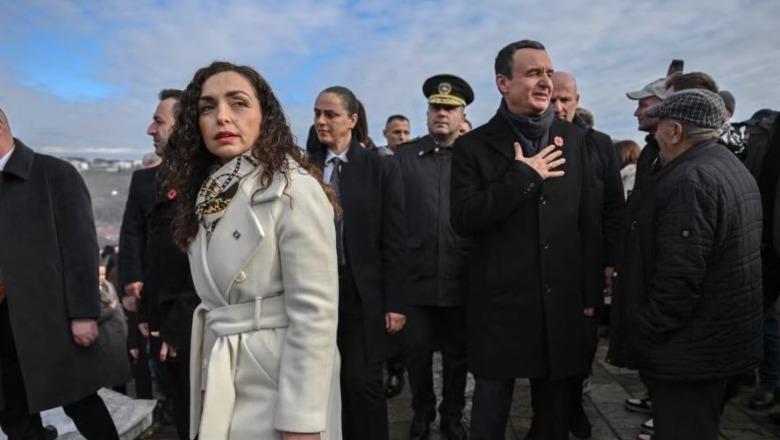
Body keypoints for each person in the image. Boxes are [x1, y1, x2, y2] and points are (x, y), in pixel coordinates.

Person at [163, 61, 342, 440]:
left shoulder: (293, 188)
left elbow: (316, 314)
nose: (222, 117)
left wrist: (302, 423)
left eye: (238, 103)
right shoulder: (209, 192)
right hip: (223, 365)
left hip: (276, 376)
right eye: (207, 107)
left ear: (265, 116)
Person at [450, 40, 602, 440]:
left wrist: (590, 294)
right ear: (503, 83)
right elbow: (464, 219)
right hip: (500, 306)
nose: (545, 81)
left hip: (560, 304)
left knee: (553, 417)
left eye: (549, 73)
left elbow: (588, 221)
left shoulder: (575, 140)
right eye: (533, 73)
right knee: (490, 412)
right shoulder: (472, 146)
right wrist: (523, 178)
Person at [610, 89, 763, 440]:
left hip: (690, 352)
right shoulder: (728, 166)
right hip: (718, 344)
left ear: (675, 131)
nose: (654, 137)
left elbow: (679, 277)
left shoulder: (690, 180)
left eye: (658, 128)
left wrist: (646, 330)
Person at [0, 107, 120, 439]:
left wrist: (84, 313)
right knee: (11, 409)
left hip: (50, 319)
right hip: (3, 322)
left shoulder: (54, 174)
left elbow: (81, 246)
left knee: (80, 401)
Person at [308, 85, 407, 440]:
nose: (321, 121)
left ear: (352, 120)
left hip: (361, 294)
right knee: (323, 385)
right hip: (314, 293)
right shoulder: (304, 170)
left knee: (362, 383)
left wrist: (395, 302)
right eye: (317, 114)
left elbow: (394, 237)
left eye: (330, 114)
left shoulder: (379, 167)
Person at [395, 74, 473, 440]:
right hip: (416, 277)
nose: (442, 113)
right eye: (436, 107)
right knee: (417, 354)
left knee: (459, 355)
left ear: (462, 116)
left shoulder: (474, 157)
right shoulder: (404, 157)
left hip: (461, 275)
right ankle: (422, 413)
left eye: (450, 108)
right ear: (427, 113)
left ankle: (453, 416)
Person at [551, 70, 625, 439]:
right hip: (546, 263)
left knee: (583, 339)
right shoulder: (532, 141)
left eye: (565, 99)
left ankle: (574, 400)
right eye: (552, 99)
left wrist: (612, 262)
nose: (558, 106)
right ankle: (550, 411)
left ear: (577, 100)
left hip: (587, 262)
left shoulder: (599, 144)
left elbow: (613, 206)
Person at [134, 88, 201, 440]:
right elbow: (156, 251)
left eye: (158, 121)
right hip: (167, 327)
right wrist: (148, 311)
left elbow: (204, 263)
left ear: (182, 125)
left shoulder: (204, 181)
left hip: (191, 331)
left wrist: (178, 326)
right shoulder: (166, 179)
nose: (150, 129)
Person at [626, 77, 666, 194]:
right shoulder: (649, 151)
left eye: (643, 105)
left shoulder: (680, 151)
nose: (636, 113)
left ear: (666, 105)